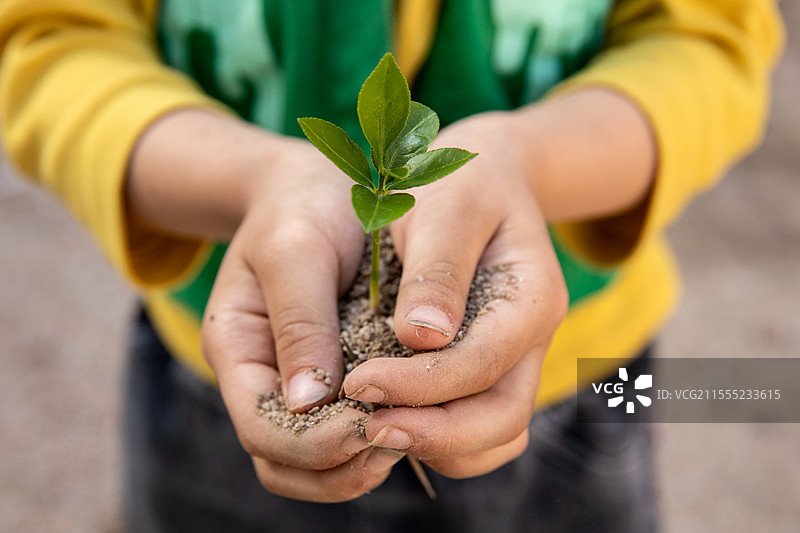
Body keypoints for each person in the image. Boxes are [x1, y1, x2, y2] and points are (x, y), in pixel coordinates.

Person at [0, 0, 782, 531]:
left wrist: (531, 159)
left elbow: (707, 42)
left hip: (580, 372)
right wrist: (250, 179)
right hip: (234, 375)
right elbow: (52, 39)